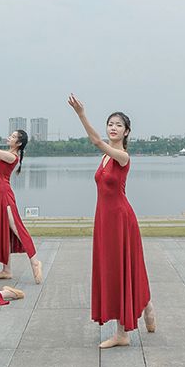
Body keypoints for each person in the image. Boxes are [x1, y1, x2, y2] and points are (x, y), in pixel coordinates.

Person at [68, 94, 156, 348]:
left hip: (120, 218)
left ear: (127, 131)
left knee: (121, 269)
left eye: (118, 125)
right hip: (104, 219)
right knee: (117, 268)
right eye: (110, 124)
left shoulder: (122, 156)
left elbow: (96, 141)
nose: (113, 128)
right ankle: (147, 306)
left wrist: (81, 114)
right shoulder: (106, 157)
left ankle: (123, 334)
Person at [0, 113, 43, 283]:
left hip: (3, 193)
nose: (10, 137)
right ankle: (7, 270)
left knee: (15, 227)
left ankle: (35, 261)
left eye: (14, 136)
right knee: (4, 229)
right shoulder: (9, 154)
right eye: (11, 135)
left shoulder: (11, 156)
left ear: (19, 143)